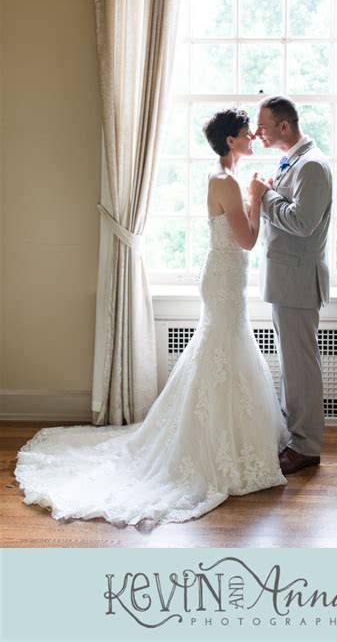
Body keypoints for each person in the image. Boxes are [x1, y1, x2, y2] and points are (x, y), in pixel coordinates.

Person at [15, 108, 288, 527]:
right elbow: (248, 241)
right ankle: (210, 448)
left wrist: (253, 195)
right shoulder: (227, 182)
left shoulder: (225, 178)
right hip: (224, 278)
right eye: (246, 132)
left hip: (227, 278)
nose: (253, 135)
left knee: (224, 349)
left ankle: (230, 440)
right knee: (223, 349)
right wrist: (256, 198)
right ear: (231, 142)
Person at [250, 96, 332, 475]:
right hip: (287, 278)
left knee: (301, 367)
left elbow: (302, 223)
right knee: (292, 365)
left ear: (285, 126)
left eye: (263, 126)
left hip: (298, 280)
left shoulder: (312, 165)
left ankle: (306, 447)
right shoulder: (295, 161)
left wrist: (264, 197)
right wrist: (272, 191)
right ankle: (295, 437)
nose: (257, 133)